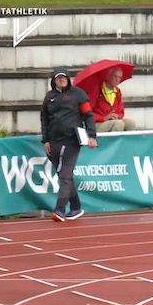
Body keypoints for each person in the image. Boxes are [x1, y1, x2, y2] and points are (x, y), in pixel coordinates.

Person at [40, 67, 98, 222]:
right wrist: (45, 140)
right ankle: (76, 207)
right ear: (54, 80)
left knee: (65, 175)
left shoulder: (78, 94)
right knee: (63, 175)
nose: (61, 79)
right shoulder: (49, 97)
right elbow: (44, 120)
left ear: (68, 78)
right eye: (58, 77)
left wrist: (91, 135)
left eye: (63, 77)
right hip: (54, 141)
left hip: (72, 139)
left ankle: (59, 210)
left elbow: (88, 115)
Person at [88, 66, 136, 132]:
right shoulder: (97, 89)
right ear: (108, 77)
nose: (117, 80)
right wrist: (103, 118)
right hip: (98, 123)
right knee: (119, 124)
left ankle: (128, 142)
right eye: (115, 76)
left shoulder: (117, 91)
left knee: (131, 124)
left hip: (113, 120)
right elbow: (88, 112)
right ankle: (113, 142)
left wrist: (118, 116)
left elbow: (121, 111)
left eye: (119, 77)